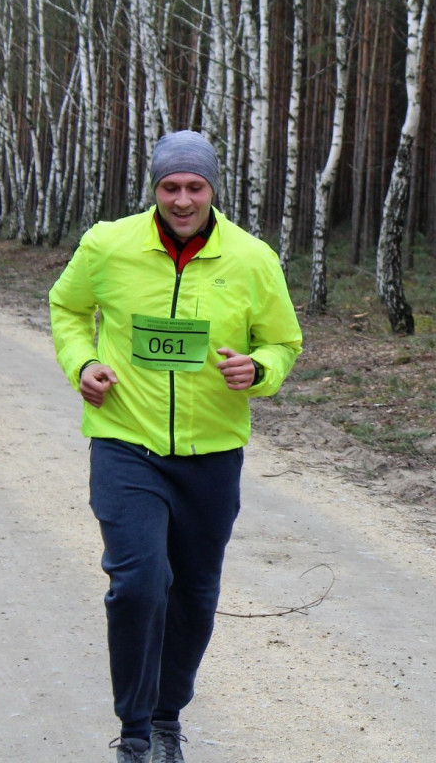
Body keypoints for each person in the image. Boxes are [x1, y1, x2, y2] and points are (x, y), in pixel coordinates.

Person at [49, 130, 304, 763]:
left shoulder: (251, 258)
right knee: (138, 581)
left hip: (212, 454)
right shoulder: (108, 245)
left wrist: (260, 369)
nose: (182, 199)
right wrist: (81, 362)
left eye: (194, 187)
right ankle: (134, 733)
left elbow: (283, 341)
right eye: (170, 187)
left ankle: (167, 720)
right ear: (154, 189)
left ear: (213, 188)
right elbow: (67, 307)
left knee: (192, 593)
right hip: (125, 443)